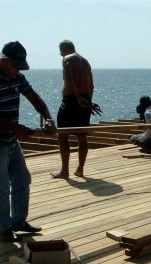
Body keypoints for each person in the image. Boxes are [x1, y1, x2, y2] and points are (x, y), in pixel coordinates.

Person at [0, 41, 56, 242]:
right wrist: (15, 128)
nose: (18, 70)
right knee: (0, 187)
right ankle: (3, 228)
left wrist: (48, 118)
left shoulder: (17, 77)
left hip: (10, 140)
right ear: (4, 61)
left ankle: (18, 221)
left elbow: (35, 99)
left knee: (22, 180)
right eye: (15, 65)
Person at [51, 40, 95, 179]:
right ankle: (80, 169)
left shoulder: (67, 59)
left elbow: (70, 80)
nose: (60, 55)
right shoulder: (86, 61)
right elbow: (92, 85)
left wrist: (77, 98)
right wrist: (87, 101)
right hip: (86, 100)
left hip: (72, 101)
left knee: (62, 135)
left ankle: (65, 171)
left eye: (60, 52)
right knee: (82, 136)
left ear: (64, 50)